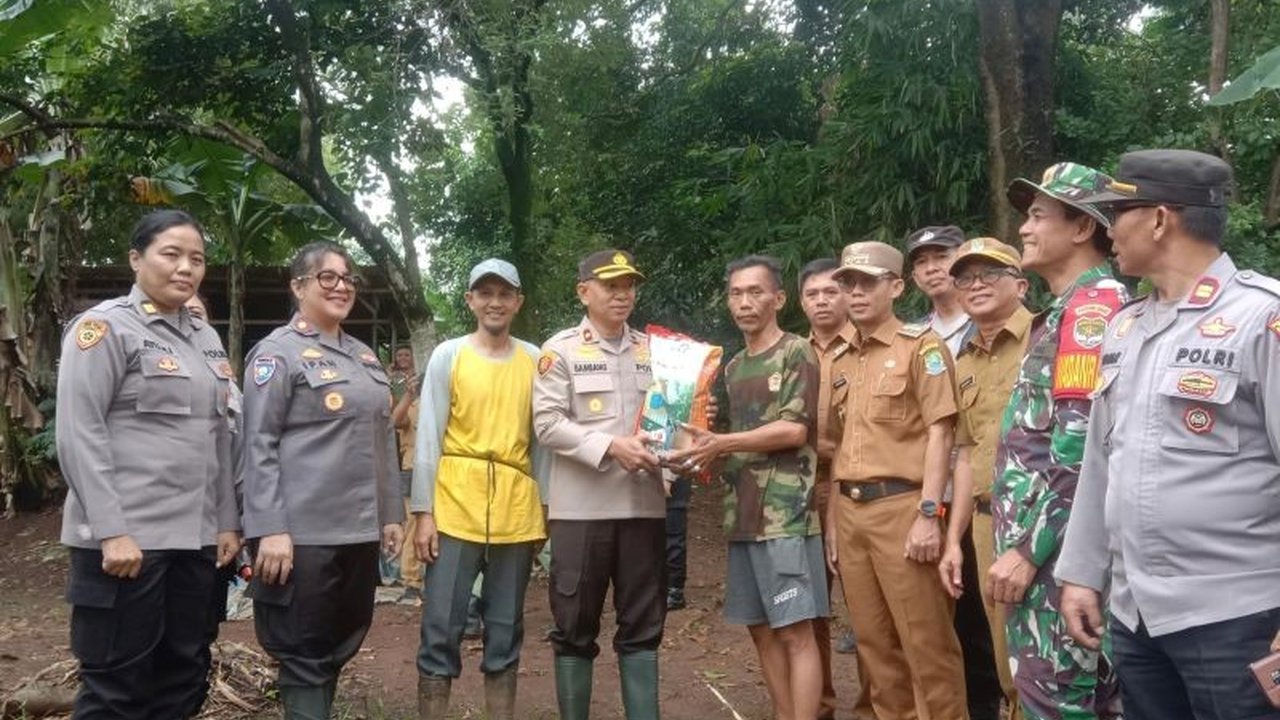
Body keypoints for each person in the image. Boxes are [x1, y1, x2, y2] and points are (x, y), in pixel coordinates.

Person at [1057, 149, 1280, 720]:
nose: (1108, 231)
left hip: (1239, 615)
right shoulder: (1125, 326)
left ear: (1159, 219)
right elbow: (1101, 463)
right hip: (1137, 615)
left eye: (1116, 214)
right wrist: (1081, 575)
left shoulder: (1261, 318)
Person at [55, 209, 241, 719]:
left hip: (195, 543)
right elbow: (79, 433)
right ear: (136, 259)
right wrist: (111, 531)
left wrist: (226, 522)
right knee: (116, 687)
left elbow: (218, 436)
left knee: (183, 677)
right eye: (171, 254)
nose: (186, 268)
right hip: (128, 545)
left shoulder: (206, 339)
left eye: (197, 259)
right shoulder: (104, 328)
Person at [241, 241, 405, 719]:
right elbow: (257, 444)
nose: (341, 287)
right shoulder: (277, 354)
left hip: (358, 532)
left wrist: (391, 514)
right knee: (304, 651)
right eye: (327, 277)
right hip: (301, 535)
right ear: (299, 287)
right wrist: (270, 528)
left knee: (340, 642)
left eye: (348, 278)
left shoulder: (364, 357)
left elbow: (383, 440)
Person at [992, 162, 1125, 719]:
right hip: (1055, 557)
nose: (1024, 228)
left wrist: (1028, 551)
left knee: (1058, 701)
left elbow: (1080, 451)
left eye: (1038, 215)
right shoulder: (1066, 311)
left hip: (1058, 564)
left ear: (1082, 228)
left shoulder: (1091, 312)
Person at [669, 255, 827, 720]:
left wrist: (722, 442)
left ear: (778, 299)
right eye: (736, 293)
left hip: (786, 516)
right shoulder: (734, 366)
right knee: (759, 627)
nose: (745, 302)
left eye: (756, 292)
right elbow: (738, 436)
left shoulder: (797, 352)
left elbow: (794, 431)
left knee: (795, 630)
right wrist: (707, 431)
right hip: (742, 514)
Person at [826, 241, 969, 720]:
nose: (856, 292)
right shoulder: (842, 358)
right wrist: (834, 522)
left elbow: (942, 433)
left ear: (896, 287)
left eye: (868, 282)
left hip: (903, 509)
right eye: (848, 282)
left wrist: (929, 513)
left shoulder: (921, 348)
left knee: (927, 646)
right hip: (852, 513)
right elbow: (839, 448)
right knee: (874, 646)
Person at [411, 258, 549, 720]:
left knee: (506, 624)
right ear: (470, 300)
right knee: (441, 620)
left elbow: (543, 438)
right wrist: (423, 511)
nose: (495, 302)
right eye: (485, 293)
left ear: (518, 302)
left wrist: (544, 506)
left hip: (515, 501)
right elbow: (428, 435)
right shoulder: (449, 355)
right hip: (455, 499)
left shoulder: (535, 360)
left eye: (504, 294)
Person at [533, 249, 666, 720]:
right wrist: (611, 446)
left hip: (644, 508)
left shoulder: (656, 351)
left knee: (643, 628)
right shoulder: (560, 350)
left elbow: (671, 422)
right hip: (581, 513)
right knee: (573, 627)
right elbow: (547, 425)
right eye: (611, 285)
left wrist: (681, 451)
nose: (622, 294)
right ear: (583, 292)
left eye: (629, 285)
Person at [906, 224, 1003, 720]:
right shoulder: (913, 337)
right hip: (932, 495)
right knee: (949, 616)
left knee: (988, 618)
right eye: (921, 261)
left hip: (987, 495)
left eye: (941, 257)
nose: (932, 268)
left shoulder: (987, 326)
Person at [937, 237, 1033, 720]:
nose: (975, 285)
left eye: (989, 274)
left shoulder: (1047, 339)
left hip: (1041, 522)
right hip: (982, 523)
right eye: (965, 278)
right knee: (1003, 657)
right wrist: (954, 542)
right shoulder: (963, 361)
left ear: (1021, 285)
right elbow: (964, 454)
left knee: (1045, 656)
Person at [797, 257, 855, 720]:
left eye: (830, 291)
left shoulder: (870, 346)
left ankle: (878, 707)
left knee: (869, 610)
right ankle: (819, 707)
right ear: (800, 302)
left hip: (856, 488)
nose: (822, 301)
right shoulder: (791, 353)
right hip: (801, 488)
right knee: (810, 607)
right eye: (812, 294)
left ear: (848, 295)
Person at [391, 371, 424, 604]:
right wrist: (408, 395)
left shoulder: (445, 403)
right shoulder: (412, 406)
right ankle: (411, 581)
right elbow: (395, 421)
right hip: (414, 469)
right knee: (413, 526)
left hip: (444, 471)